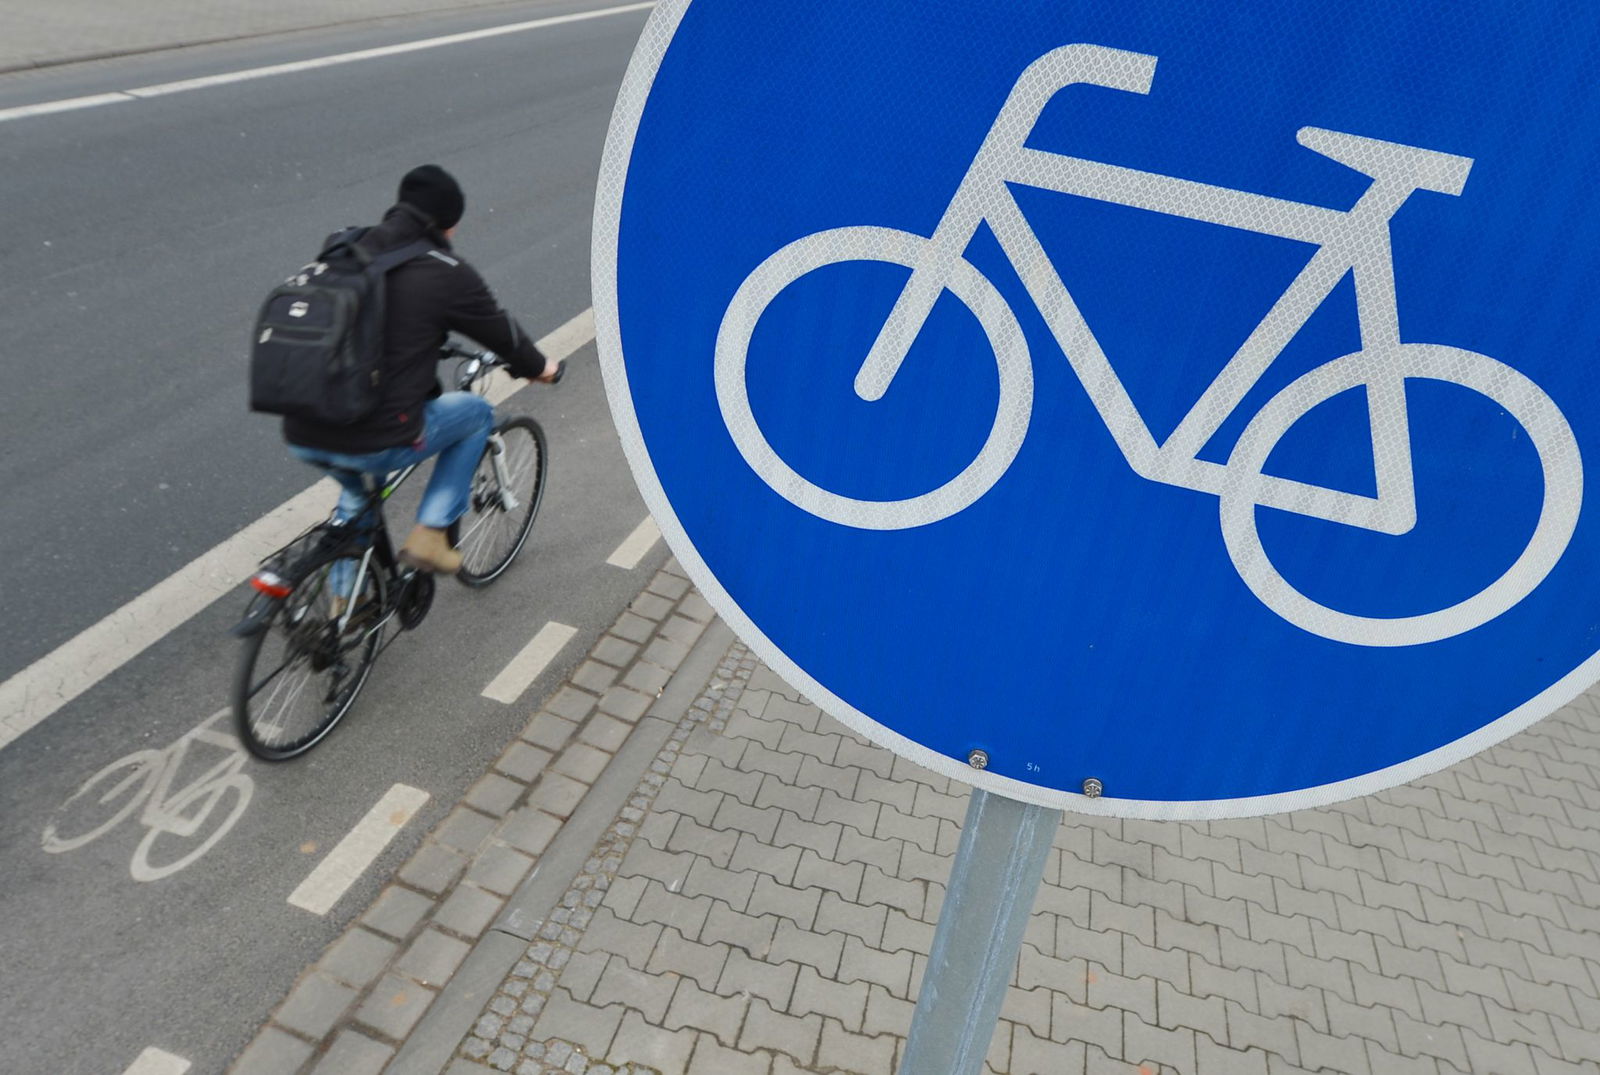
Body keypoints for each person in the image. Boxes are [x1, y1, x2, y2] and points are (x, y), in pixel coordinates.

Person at [283, 164, 561, 579]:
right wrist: (541, 369)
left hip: (303, 426)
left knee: (356, 501)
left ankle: (342, 605)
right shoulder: (443, 272)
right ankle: (430, 535)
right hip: (374, 437)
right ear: (447, 224)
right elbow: (503, 335)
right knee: (476, 414)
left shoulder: (344, 246)